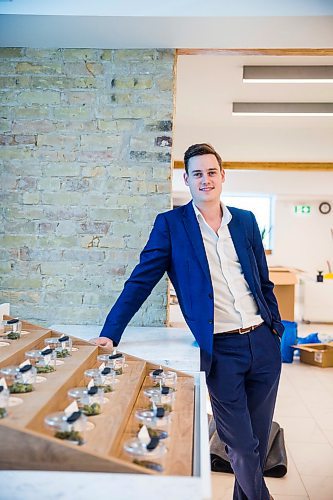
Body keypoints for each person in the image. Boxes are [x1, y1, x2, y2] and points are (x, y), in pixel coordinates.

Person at [91, 143, 283, 500]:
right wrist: (110, 333)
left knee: (256, 443)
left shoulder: (245, 220)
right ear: (187, 179)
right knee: (240, 448)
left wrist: (275, 329)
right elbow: (141, 280)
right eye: (198, 174)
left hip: (263, 344)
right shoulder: (171, 225)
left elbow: (263, 281)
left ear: (222, 176)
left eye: (212, 172)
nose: (205, 180)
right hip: (221, 350)